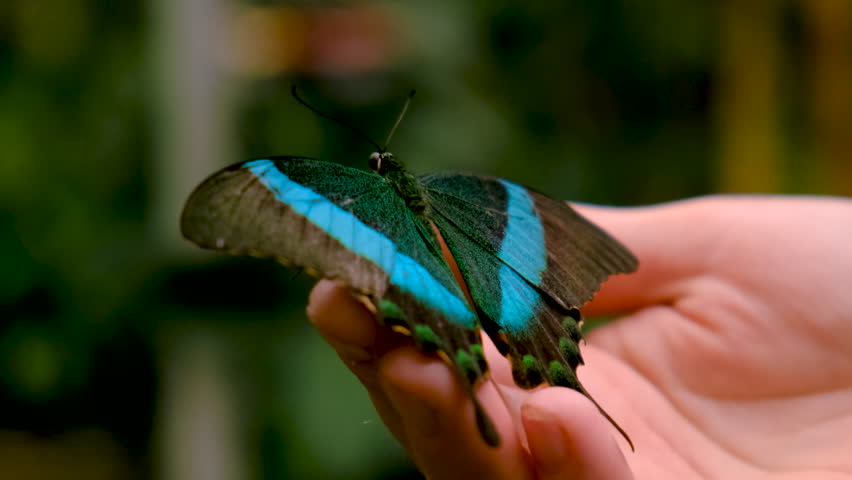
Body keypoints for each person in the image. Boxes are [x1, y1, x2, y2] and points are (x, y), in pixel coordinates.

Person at [307, 195, 852, 480]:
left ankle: (468, 351)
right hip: (464, 287)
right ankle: (475, 354)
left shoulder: (468, 195)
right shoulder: (481, 195)